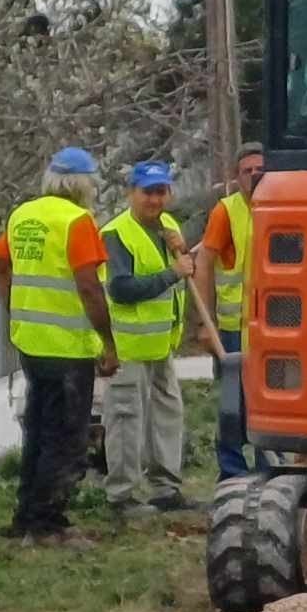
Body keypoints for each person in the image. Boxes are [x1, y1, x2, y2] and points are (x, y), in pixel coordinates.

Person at [0, 147, 119, 541]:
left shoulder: (23, 215)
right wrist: (108, 342)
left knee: (39, 432)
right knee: (65, 439)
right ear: (85, 185)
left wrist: (14, 303)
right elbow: (89, 287)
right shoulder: (77, 222)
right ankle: (46, 524)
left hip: (30, 342)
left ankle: (26, 516)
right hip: (67, 348)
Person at [100, 160, 193, 516]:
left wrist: (182, 254)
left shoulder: (168, 227)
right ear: (131, 194)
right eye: (147, 192)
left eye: (161, 192)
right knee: (125, 420)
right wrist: (173, 272)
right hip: (128, 348)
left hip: (160, 346)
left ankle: (165, 490)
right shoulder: (117, 234)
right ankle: (121, 497)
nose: (155, 200)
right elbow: (121, 289)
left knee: (167, 416)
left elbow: (184, 272)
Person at [195, 143, 269, 479]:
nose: (255, 176)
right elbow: (204, 263)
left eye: (260, 169)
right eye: (247, 171)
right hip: (232, 330)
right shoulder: (227, 212)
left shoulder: (286, 205)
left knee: (271, 404)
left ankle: (271, 467)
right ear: (235, 178)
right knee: (231, 407)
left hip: (275, 332)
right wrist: (205, 323)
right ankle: (233, 472)